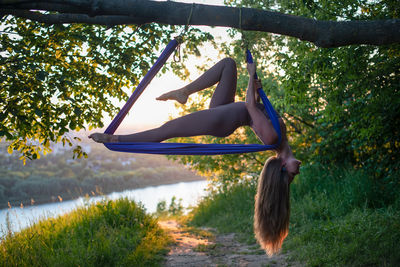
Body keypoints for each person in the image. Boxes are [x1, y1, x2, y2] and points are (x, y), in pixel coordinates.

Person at [89, 57, 301, 255]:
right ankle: (185, 91)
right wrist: (256, 89)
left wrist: (252, 74)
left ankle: (115, 140)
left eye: (291, 176)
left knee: (168, 129)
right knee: (228, 64)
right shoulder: (279, 138)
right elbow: (256, 109)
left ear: (283, 166)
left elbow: (249, 107)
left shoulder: (274, 138)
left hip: (222, 121)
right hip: (224, 110)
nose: (297, 171)